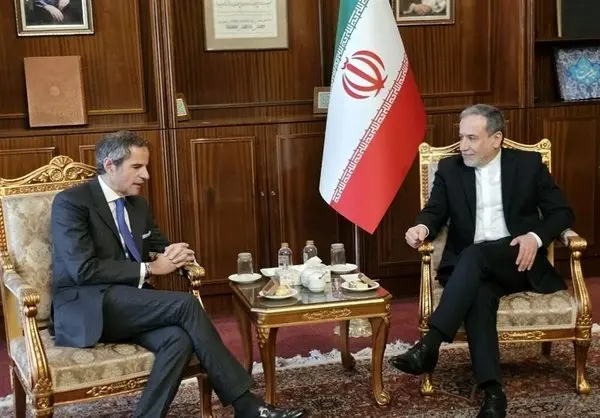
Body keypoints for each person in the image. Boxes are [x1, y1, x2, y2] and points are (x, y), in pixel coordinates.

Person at [50, 131, 305, 418]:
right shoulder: (72, 203)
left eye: (146, 166)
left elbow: (158, 245)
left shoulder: (137, 205)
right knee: (186, 305)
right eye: (137, 167)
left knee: (178, 340)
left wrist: (177, 252)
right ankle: (246, 405)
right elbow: (82, 269)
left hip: (132, 303)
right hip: (87, 306)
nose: (146, 175)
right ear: (110, 165)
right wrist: (150, 268)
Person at [389, 104, 573, 418]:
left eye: (472, 138)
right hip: (470, 270)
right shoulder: (450, 169)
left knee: (475, 254)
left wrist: (535, 237)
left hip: (517, 261)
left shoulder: (527, 165)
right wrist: (421, 228)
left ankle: (431, 343)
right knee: (479, 296)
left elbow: (562, 213)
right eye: (461, 137)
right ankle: (493, 394)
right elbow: (434, 211)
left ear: (496, 139)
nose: (463, 145)